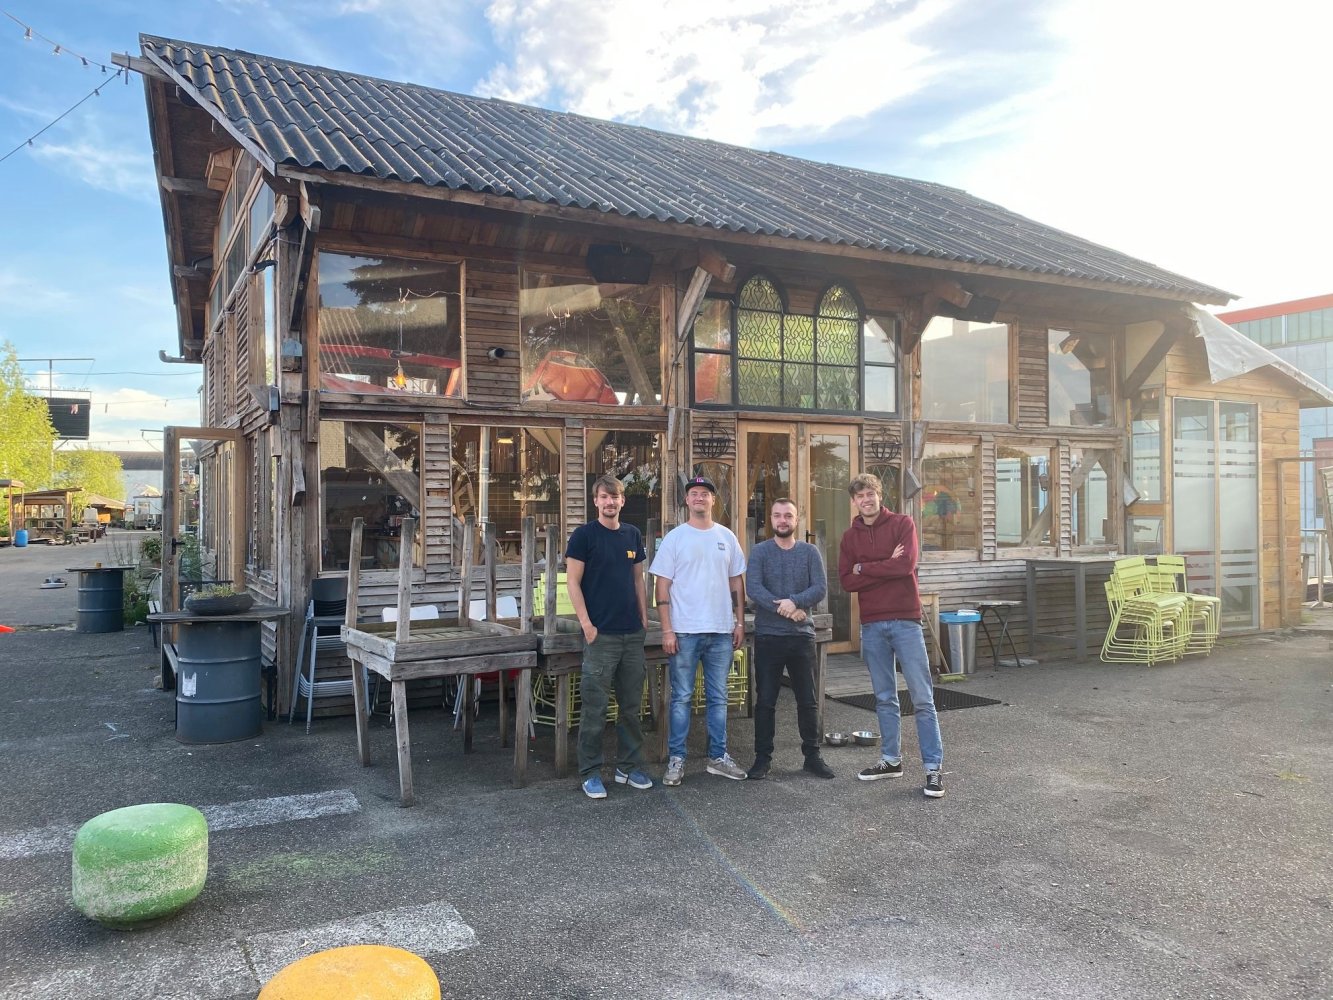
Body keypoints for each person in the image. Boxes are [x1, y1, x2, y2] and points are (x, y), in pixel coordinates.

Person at [837, 472, 945, 798]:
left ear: (879, 495)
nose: (866, 500)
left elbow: (905, 565)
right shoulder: (849, 537)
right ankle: (890, 760)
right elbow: (846, 581)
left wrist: (865, 567)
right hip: (872, 624)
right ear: (854, 501)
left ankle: (933, 769)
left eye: (870, 494)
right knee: (884, 698)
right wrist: (884, 564)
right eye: (860, 496)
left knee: (922, 698)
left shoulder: (902, 524)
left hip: (905, 621)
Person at [650, 475, 748, 785]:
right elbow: (662, 585)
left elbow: (736, 582)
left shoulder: (726, 537)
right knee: (681, 698)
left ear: (713, 500)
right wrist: (667, 630)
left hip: (721, 630)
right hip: (685, 631)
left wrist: (739, 622)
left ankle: (718, 757)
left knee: (719, 697)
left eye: (705, 493)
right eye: (694, 493)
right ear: (687, 500)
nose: (699, 498)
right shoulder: (675, 538)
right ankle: (677, 759)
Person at [566, 475, 653, 799]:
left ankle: (627, 767)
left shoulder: (632, 535)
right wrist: (587, 625)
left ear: (622, 501)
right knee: (595, 708)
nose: (610, 502)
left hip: (631, 635)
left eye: (614, 497)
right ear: (595, 501)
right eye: (604, 497)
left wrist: (643, 615)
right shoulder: (584, 536)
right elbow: (573, 582)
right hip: (600, 636)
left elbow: (638, 579)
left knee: (631, 707)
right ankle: (590, 772)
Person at [745, 498, 833, 780]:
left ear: (797, 519)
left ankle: (812, 756)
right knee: (765, 701)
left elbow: (819, 588)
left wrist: (795, 602)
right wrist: (784, 609)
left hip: (801, 637)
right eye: (777, 515)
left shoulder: (809, 552)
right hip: (768, 637)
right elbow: (753, 588)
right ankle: (762, 759)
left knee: (807, 700)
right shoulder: (760, 552)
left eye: (788, 515)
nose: (782, 520)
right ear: (770, 519)